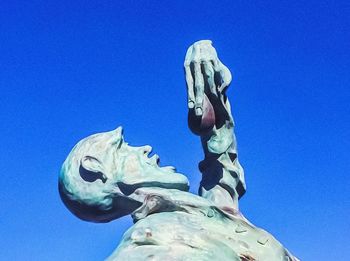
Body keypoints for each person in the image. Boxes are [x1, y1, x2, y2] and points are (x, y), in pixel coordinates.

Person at [59, 40, 298, 261]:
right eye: (122, 147)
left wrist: (207, 86)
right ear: (94, 169)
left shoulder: (204, 213)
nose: (144, 149)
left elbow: (222, 170)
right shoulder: (146, 243)